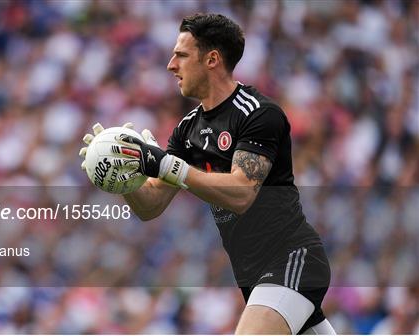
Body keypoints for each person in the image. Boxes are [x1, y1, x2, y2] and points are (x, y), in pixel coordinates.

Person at [80, 13, 335, 335]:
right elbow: (151, 205)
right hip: (254, 275)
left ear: (212, 59)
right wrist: (123, 177)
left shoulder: (259, 113)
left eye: (182, 55)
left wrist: (166, 166)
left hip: (291, 259)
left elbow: (243, 192)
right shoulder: (188, 129)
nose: (172, 65)